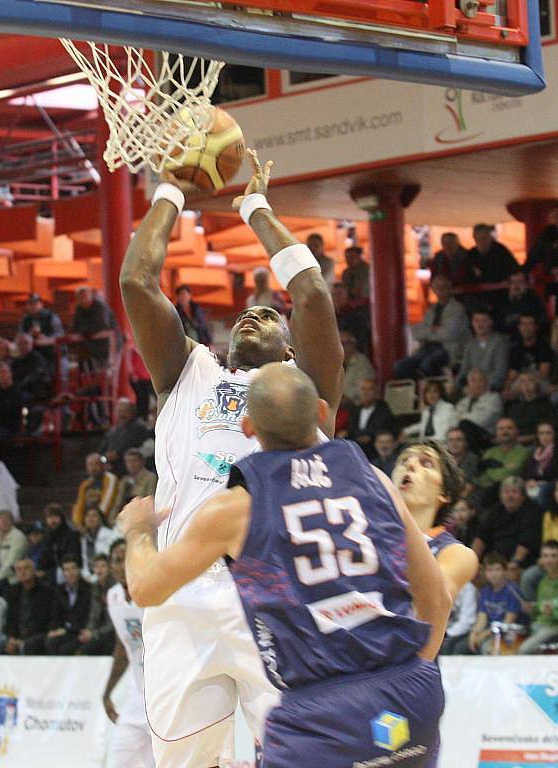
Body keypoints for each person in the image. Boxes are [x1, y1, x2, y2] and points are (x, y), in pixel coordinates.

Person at [119, 150, 344, 767]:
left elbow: (313, 292)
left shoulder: (306, 389)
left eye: (270, 314)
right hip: (183, 589)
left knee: (307, 759)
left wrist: (255, 207)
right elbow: (137, 283)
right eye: (245, 312)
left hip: (280, 592)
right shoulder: (186, 371)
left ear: (292, 346)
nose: (255, 311)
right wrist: (169, 190)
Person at [118, 363, 452, 768]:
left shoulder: (237, 508)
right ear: (323, 413)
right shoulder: (373, 479)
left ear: (248, 429)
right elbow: (437, 598)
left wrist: (137, 532)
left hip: (323, 711)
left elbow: (146, 589)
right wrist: (411, 677)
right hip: (410, 692)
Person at [392, 440, 478, 601]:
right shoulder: (366, 533)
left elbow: (429, 606)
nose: (410, 464)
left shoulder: (456, 553)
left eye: (426, 463)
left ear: (445, 494)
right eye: (404, 460)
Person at [103, 539, 154, 768]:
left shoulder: (155, 590)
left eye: (126, 558)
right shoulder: (113, 597)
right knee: (119, 758)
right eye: (116, 559)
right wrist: (108, 691)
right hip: (137, 693)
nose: (121, 564)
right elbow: (123, 646)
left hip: (164, 692)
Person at [394, 275, 469, 379]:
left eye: (444, 286)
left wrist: (429, 332)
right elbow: (416, 332)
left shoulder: (457, 309)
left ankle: (432, 392)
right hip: (427, 349)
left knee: (427, 365)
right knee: (400, 367)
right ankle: (418, 392)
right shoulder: (431, 310)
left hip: (448, 350)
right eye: (437, 287)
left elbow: (448, 334)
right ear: (433, 289)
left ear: (450, 288)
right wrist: (435, 330)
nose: (441, 290)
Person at [472, 476, 543, 568]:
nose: (510, 496)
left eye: (514, 492)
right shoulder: (495, 511)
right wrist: (473, 562)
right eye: (506, 492)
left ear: (523, 496)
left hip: (521, 562)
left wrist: (514, 563)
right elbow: (480, 538)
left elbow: (526, 543)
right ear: (501, 495)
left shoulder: (532, 511)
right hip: (494, 561)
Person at [458, 553, 522, 655]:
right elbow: (482, 619)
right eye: (490, 570)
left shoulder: (512, 591)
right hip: (489, 631)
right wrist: (474, 633)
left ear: (505, 571)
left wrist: (484, 634)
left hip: (508, 633)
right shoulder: (485, 592)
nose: (493, 574)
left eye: (497, 570)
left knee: (487, 647)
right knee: (459, 647)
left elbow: (508, 621)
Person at [0, 558, 53, 655]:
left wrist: (22, 640)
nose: (22, 572)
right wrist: (12, 638)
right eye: (18, 569)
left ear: (33, 570)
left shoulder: (46, 591)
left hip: (38, 634)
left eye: (26, 568)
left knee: (25, 646)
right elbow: (10, 620)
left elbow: (44, 620)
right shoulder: (12, 592)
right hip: (16, 635)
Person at [45, 554, 91, 655]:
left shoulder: (89, 590)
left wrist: (66, 630)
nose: (70, 573)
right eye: (66, 569)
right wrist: (54, 630)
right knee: (50, 642)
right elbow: (55, 615)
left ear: (79, 569)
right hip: (65, 631)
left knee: (65, 649)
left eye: (73, 568)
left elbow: (86, 617)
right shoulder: (59, 590)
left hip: (80, 631)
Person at [517, 540, 558, 653]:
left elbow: (551, 610)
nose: (549, 560)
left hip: (553, 629)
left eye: (553, 556)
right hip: (538, 627)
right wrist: (531, 608)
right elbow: (540, 610)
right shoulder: (543, 582)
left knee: (524, 651)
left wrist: (553, 611)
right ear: (541, 559)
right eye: (545, 556)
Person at [475, 418, 530, 501]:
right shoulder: (490, 452)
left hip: (511, 494)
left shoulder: (523, 452)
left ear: (516, 431)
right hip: (486, 492)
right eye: (501, 429)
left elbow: (506, 475)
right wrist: (503, 468)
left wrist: (491, 473)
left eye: (509, 428)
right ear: (496, 432)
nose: (505, 431)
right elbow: (479, 477)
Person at [71, 286, 122, 372]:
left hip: (110, 345)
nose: (83, 300)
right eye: (80, 297)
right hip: (93, 347)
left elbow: (100, 325)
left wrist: (83, 334)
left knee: (109, 375)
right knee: (97, 375)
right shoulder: (79, 308)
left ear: (91, 295)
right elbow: (75, 327)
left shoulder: (100, 306)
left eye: (85, 296)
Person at [457, 310, 509, 392]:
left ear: (491, 322)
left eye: (484, 321)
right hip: (472, 388)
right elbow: (464, 371)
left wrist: (482, 388)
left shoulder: (500, 341)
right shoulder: (470, 344)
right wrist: (463, 387)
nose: (480, 325)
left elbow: (500, 372)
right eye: (476, 321)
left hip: (491, 389)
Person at [504, 315, 553, 397]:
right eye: (523, 324)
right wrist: (507, 385)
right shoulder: (516, 348)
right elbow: (512, 375)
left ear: (536, 327)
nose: (526, 328)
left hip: (539, 381)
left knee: (529, 386)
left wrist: (527, 379)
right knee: (507, 392)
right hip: (520, 381)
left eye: (530, 324)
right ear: (519, 327)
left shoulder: (544, 345)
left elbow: (544, 374)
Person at [76, 553, 116, 655]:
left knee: (85, 651)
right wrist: (88, 631)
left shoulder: (115, 587)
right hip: (100, 630)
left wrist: (93, 634)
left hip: (113, 632)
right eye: (96, 566)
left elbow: (114, 622)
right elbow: (93, 615)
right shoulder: (95, 587)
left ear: (109, 568)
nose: (99, 570)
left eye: (103, 566)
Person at [98, 398, 149, 476]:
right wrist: (105, 460)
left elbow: (135, 445)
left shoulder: (139, 428)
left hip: (130, 470)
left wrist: (118, 454)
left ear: (132, 412)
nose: (122, 414)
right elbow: (102, 451)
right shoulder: (112, 431)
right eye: (119, 411)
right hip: (111, 469)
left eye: (125, 411)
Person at [346, 379, 394, 458]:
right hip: (357, 444)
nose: (366, 392)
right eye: (363, 389)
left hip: (374, 449)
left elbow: (378, 428)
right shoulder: (356, 409)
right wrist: (359, 437)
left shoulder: (383, 408)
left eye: (370, 389)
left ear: (376, 391)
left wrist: (366, 436)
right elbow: (351, 429)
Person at [20, 292, 65, 375]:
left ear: (41, 304)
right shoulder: (25, 319)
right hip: (34, 355)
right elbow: (20, 337)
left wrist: (46, 340)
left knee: (57, 377)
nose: (33, 306)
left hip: (53, 354)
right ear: (27, 306)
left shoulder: (51, 316)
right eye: (30, 304)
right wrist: (30, 334)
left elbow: (60, 335)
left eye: (35, 303)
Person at [504, 371, 554, 444]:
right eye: (523, 381)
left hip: (533, 443)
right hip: (512, 442)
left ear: (537, 384)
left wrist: (529, 438)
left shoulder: (545, 404)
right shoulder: (514, 406)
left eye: (530, 381)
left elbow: (548, 431)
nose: (526, 384)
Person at [37, 503, 82, 584]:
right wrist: (39, 571)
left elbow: (71, 558)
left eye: (55, 517)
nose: (52, 520)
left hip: (68, 571)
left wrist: (47, 573)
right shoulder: (47, 537)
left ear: (61, 518)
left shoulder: (71, 535)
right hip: (51, 574)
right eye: (49, 517)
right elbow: (43, 558)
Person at [72, 453, 118, 530]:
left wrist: (95, 520)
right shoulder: (85, 485)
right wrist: (78, 523)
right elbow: (79, 505)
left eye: (96, 464)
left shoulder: (110, 479)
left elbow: (107, 502)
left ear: (103, 466)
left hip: (108, 521)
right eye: (90, 465)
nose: (93, 468)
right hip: (90, 522)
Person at [111, 450, 158, 522]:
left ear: (142, 462)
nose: (131, 464)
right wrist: (112, 520)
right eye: (128, 461)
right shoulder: (124, 480)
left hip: (143, 516)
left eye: (134, 461)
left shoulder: (151, 478)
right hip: (125, 517)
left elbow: (150, 499)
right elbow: (118, 503)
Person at [498, 271, 547, 337]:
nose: (516, 286)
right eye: (513, 282)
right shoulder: (502, 300)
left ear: (527, 284)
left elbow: (542, 323)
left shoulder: (535, 300)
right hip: (506, 338)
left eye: (520, 282)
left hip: (528, 338)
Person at [523, 422, 558, 509]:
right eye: (541, 433)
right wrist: (530, 480)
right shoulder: (535, 453)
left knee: (542, 493)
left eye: (548, 433)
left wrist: (541, 483)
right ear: (537, 436)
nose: (545, 436)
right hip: (535, 487)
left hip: (552, 488)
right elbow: (528, 474)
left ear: (554, 435)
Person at [11, 332, 52, 402]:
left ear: (31, 344)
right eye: (19, 344)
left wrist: (16, 387)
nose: (22, 346)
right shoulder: (16, 361)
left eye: (26, 343)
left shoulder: (37, 359)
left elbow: (33, 377)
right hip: (21, 390)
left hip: (36, 392)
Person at [439, 582, 478, 655]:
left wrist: (445, 635)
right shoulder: (436, 584)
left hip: (461, 632)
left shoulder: (468, 588)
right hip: (439, 633)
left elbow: (466, 622)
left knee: (449, 646)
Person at [339, 330, 375, 406]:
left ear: (353, 344)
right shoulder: (337, 363)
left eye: (347, 343)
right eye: (341, 343)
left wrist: (346, 397)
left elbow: (365, 386)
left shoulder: (362, 362)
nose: (344, 347)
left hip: (356, 406)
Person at [80, 508, 117, 579]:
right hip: (89, 577)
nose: (90, 519)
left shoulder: (109, 535)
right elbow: (84, 560)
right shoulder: (84, 538)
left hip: (107, 576)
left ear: (100, 519)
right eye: (87, 516)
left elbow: (111, 559)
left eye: (94, 516)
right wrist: (86, 575)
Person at [445, 428, 479, 492]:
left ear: (466, 443)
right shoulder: (442, 458)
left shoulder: (473, 459)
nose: (454, 444)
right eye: (451, 440)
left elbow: (469, 486)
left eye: (459, 440)